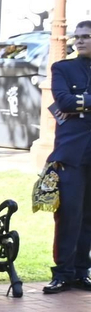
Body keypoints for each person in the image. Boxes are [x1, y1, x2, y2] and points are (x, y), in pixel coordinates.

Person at [44, 18, 91, 294]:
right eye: (77, 37)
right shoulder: (62, 67)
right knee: (68, 214)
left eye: (86, 36)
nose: (80, 40)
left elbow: (73, 104)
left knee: (88, 216)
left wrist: (81, 103)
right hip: (71, 153)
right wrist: (76, 104)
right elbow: (62, 101)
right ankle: (62, 272)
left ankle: (81, 272)